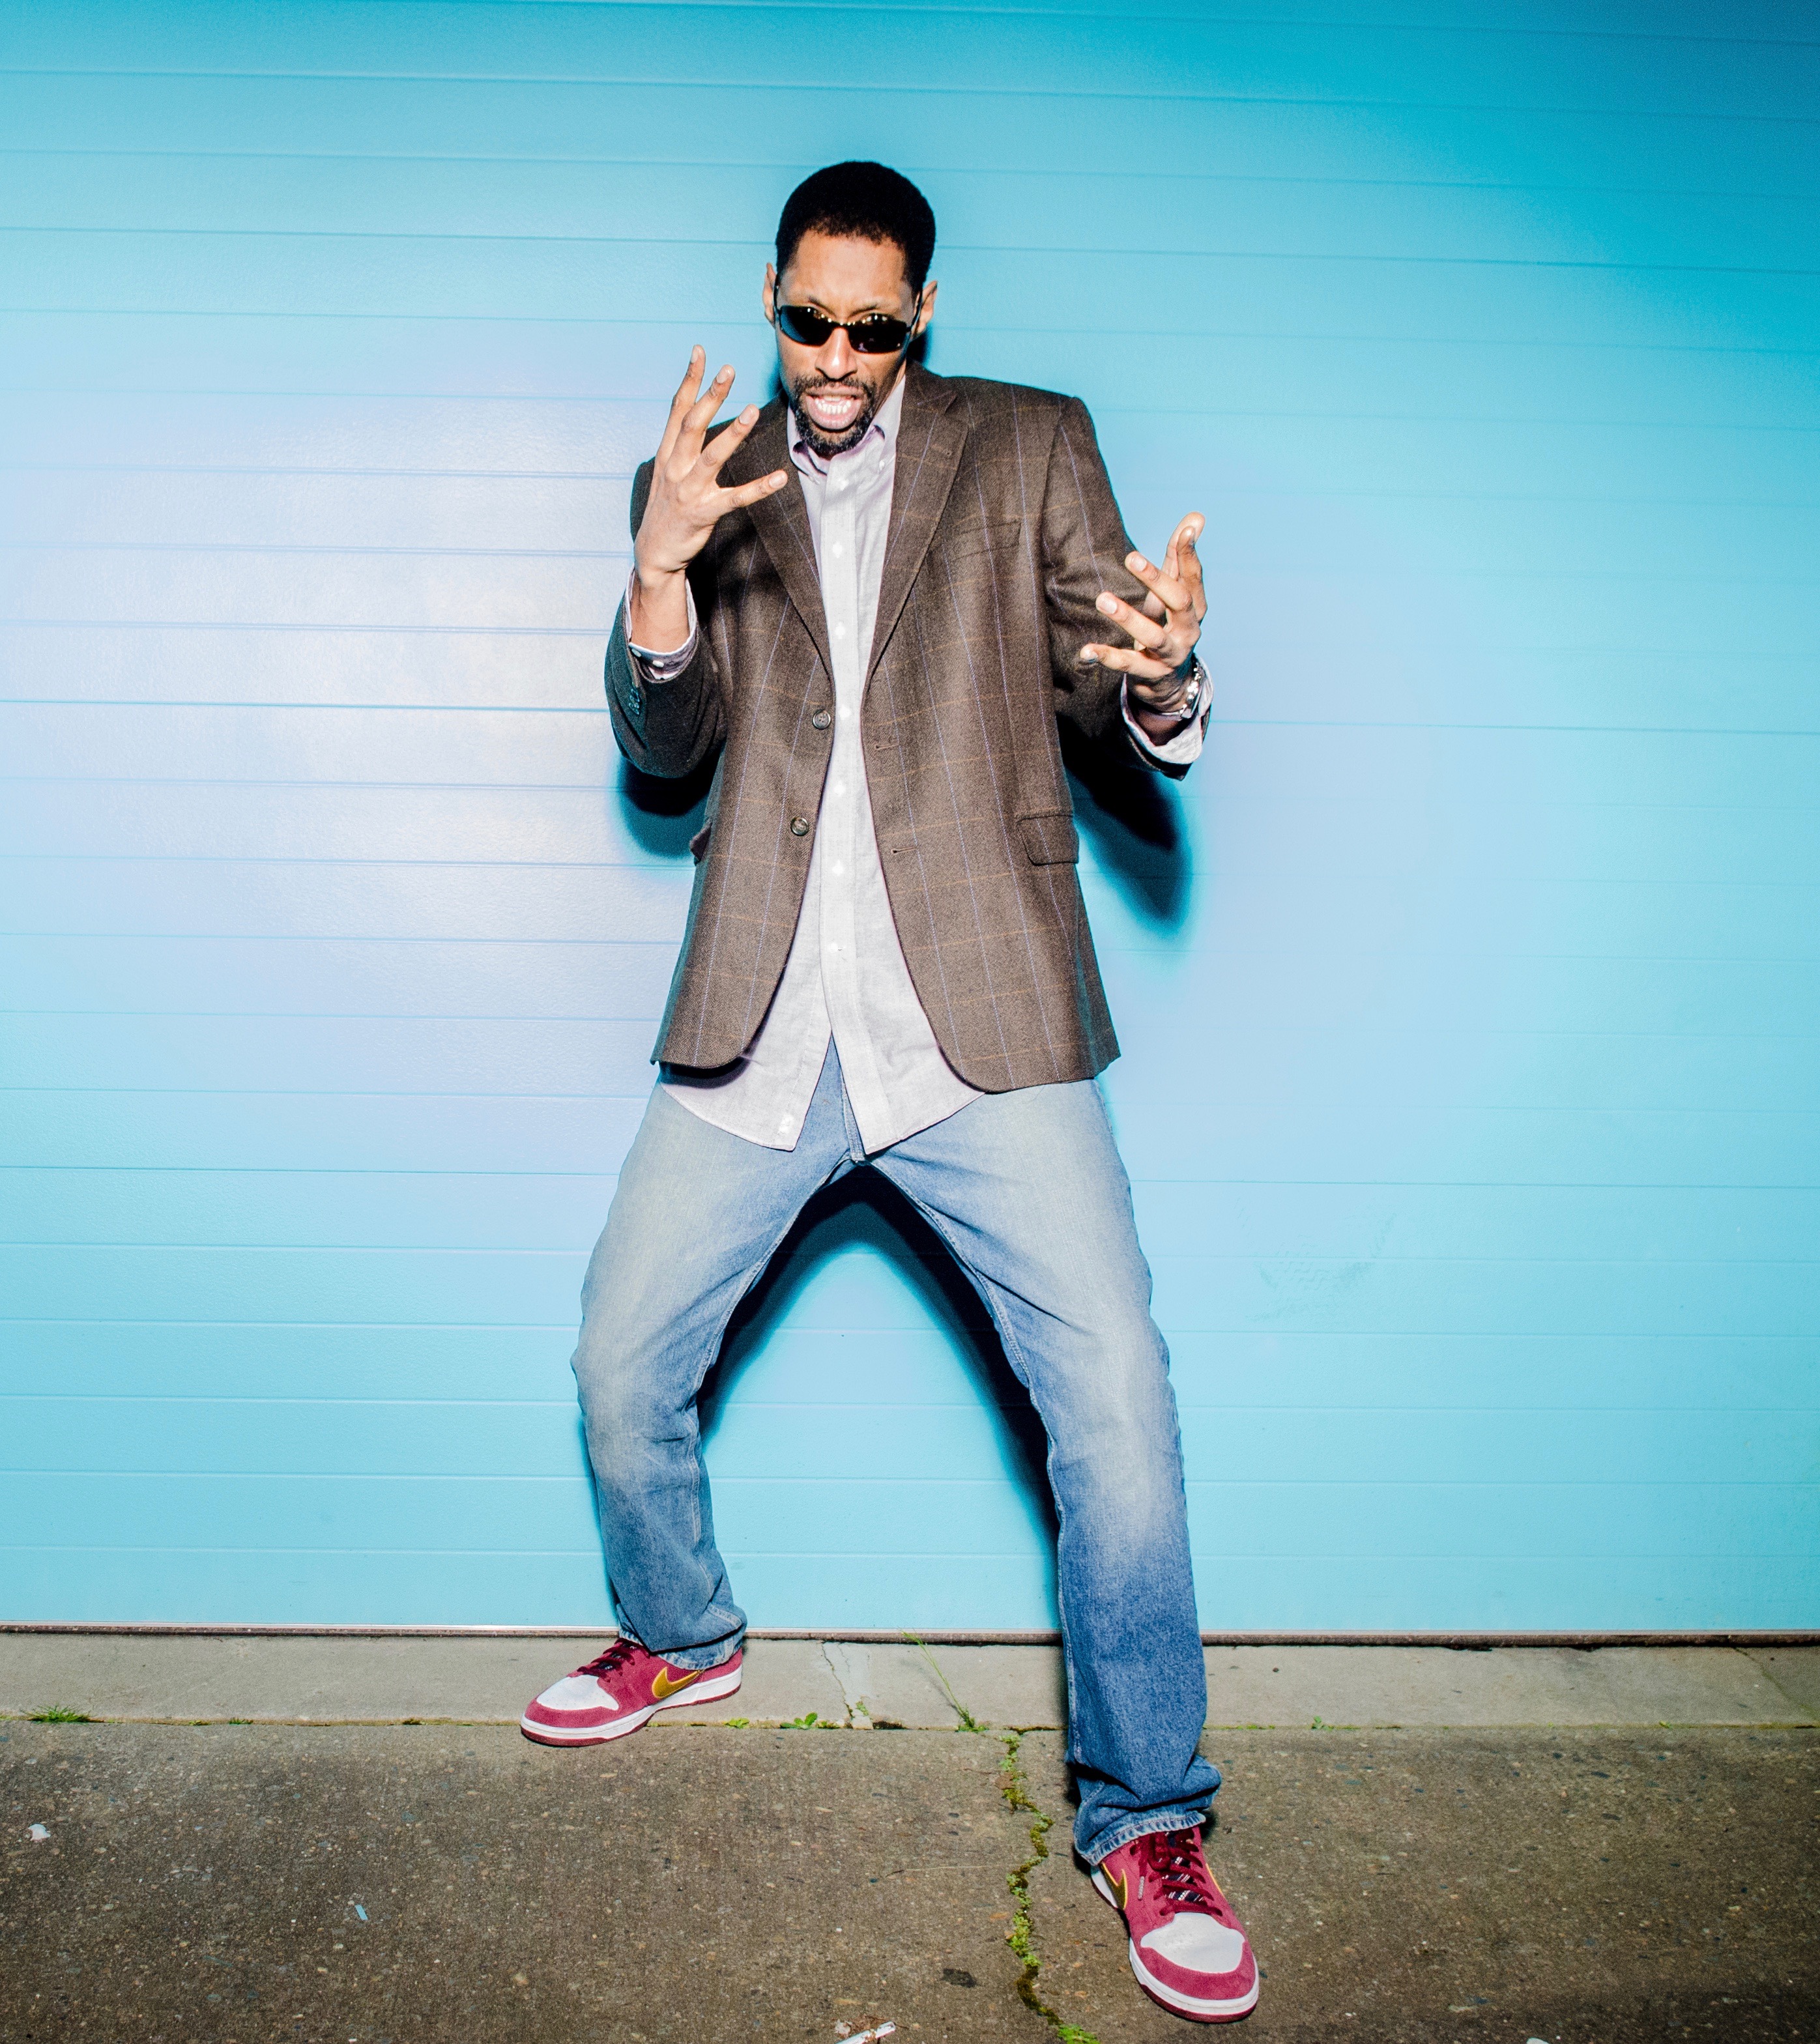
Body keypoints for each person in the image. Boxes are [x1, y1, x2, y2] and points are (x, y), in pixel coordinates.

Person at [521, 161, 1258, 2025]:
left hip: (975, 1015)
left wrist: (1165, 680)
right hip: (768, 1008)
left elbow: (1106, 674)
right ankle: (683, 1635)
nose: (835, 358)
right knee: (618, 1362)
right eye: (806, 321)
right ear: (770, 297)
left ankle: (1148, 1814)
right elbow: (669, 755)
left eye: (870, 325)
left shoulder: (1029, 444)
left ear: (922, 311)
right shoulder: (695, 475)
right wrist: (656, 571)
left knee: (1114, 1406)